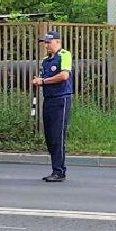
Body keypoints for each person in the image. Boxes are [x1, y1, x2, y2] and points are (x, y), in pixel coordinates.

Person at [32, 30, 73, 182]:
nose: (47, 45)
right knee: (49, 136)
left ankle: (59, 170)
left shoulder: (64, 55)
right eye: (45, 43)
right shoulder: (45, 60)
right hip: (48, 98)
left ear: (58, 42)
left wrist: (43, 81)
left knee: (57, 135)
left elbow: (64, 76)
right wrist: (39, 80)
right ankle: (55, 168)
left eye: (49, 42)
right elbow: (46, 77)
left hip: (60, 99)